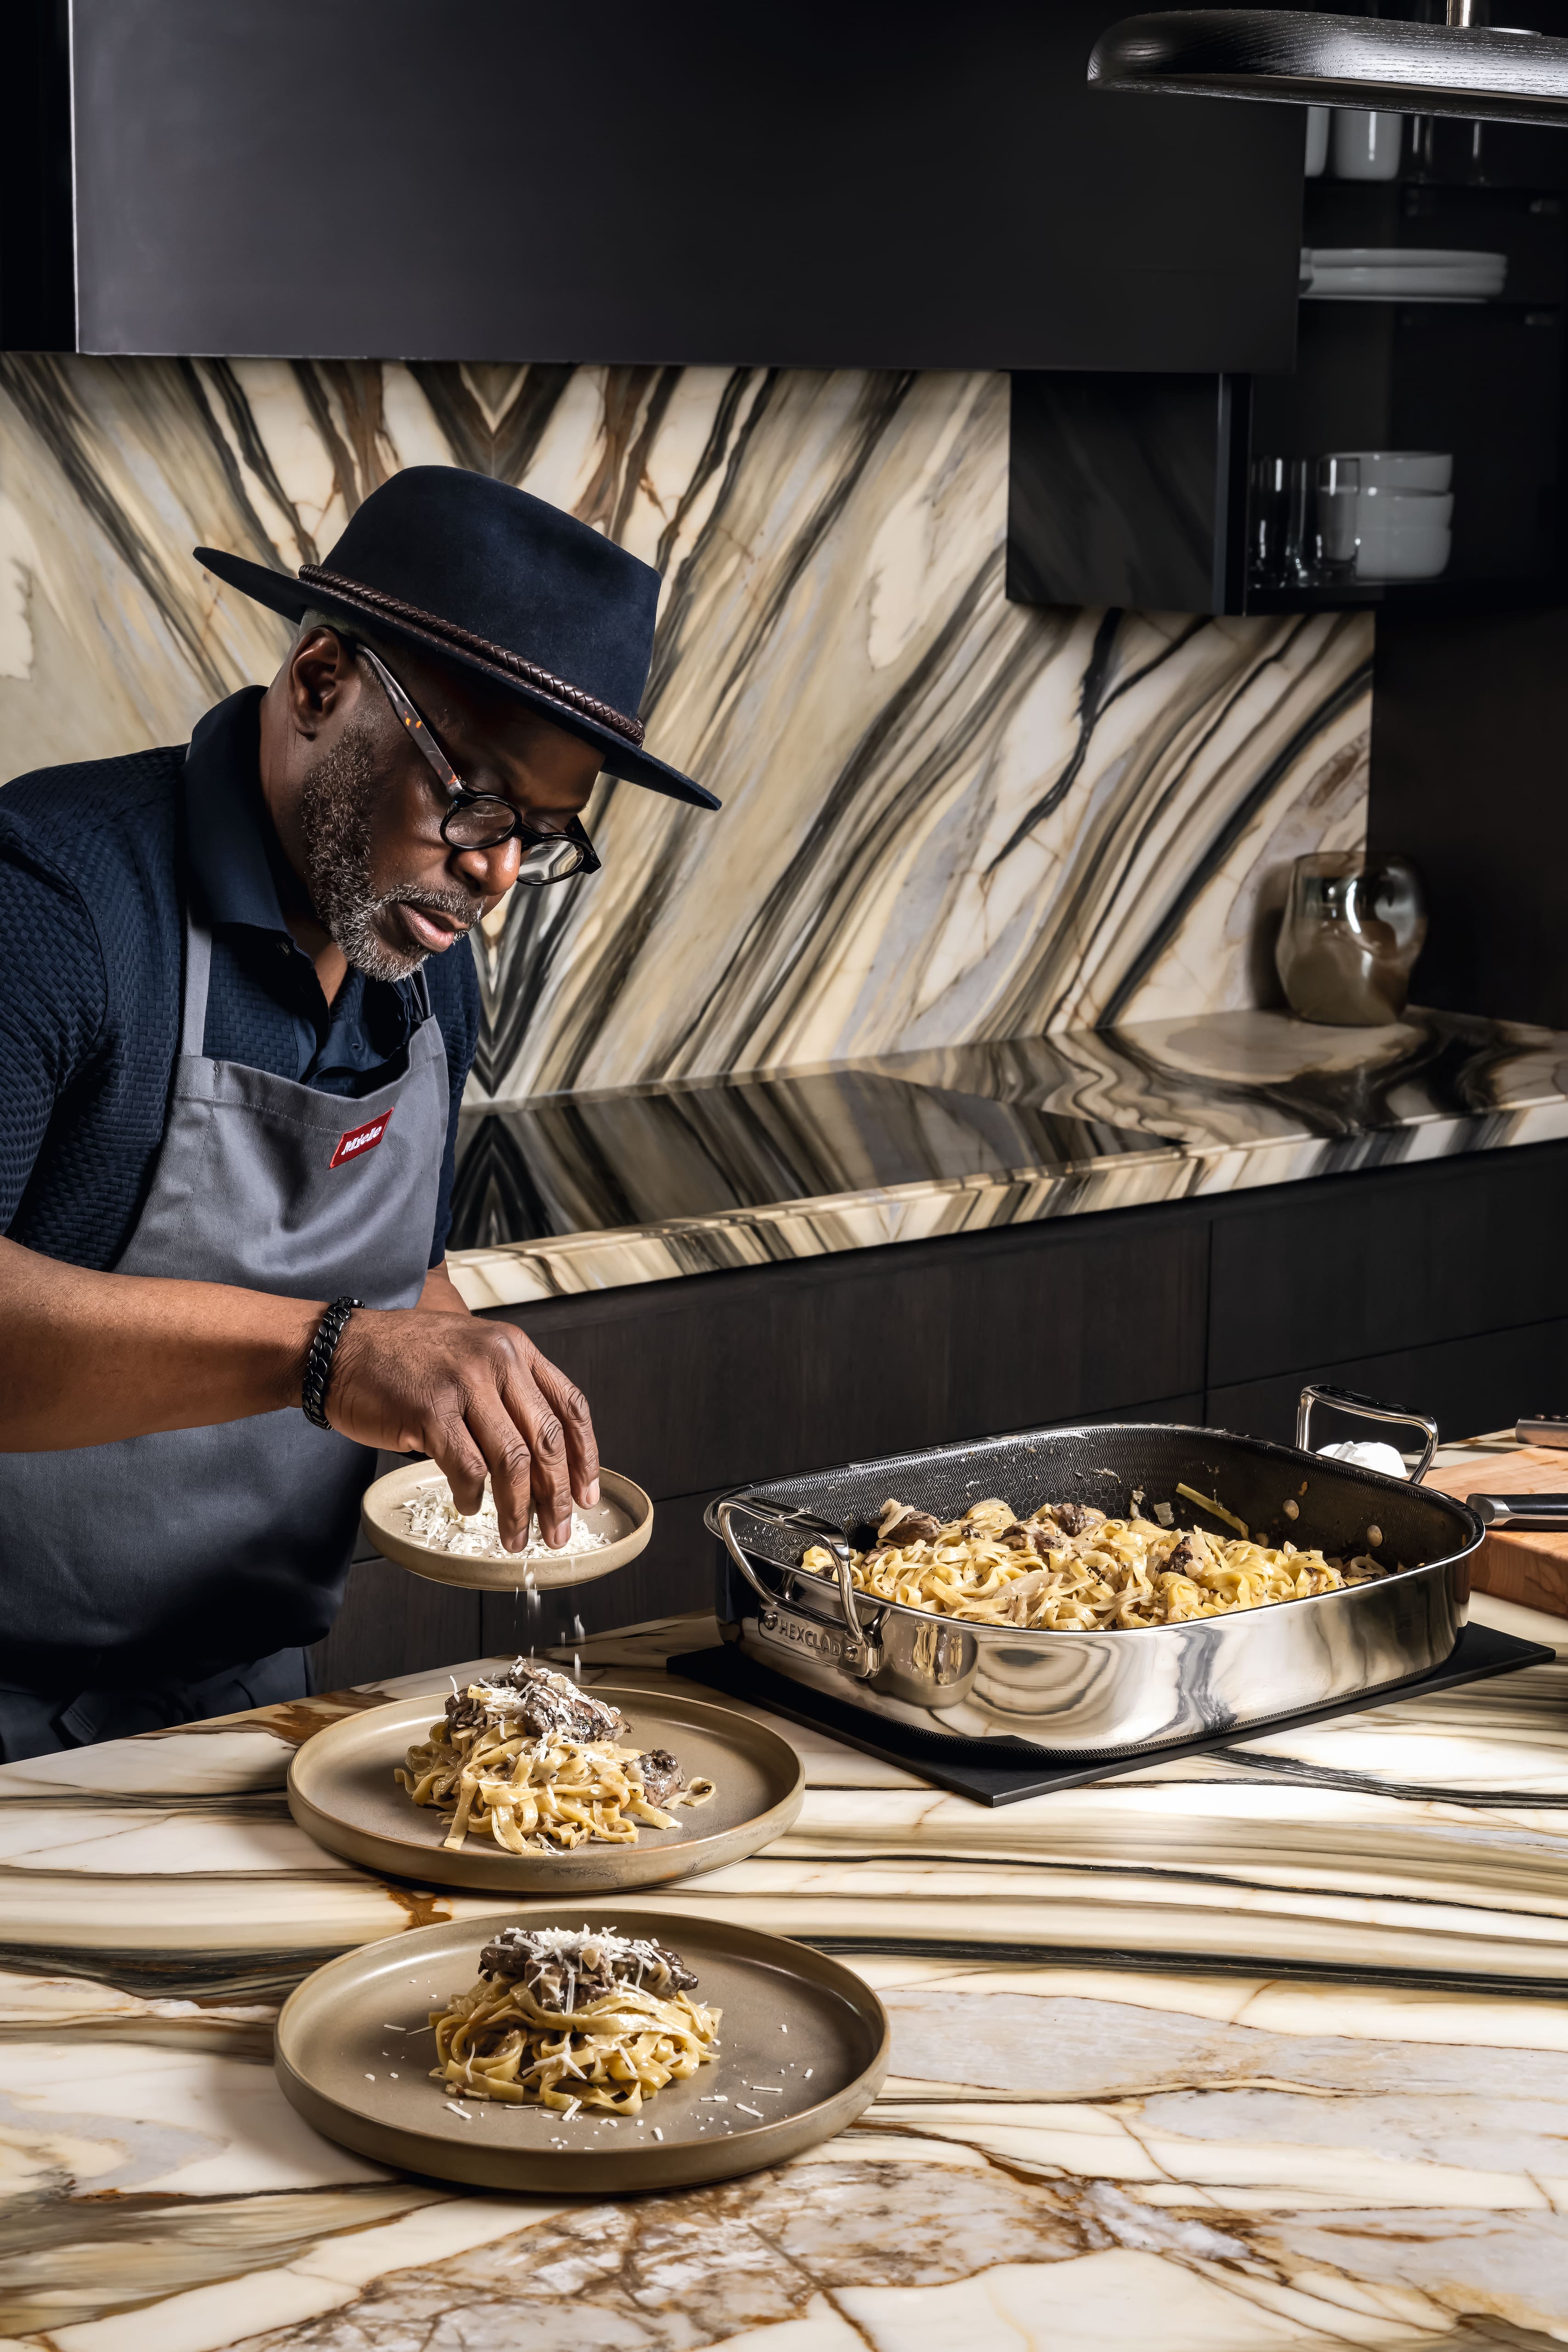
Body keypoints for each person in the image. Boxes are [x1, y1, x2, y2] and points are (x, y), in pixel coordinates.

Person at [0, 466, 719, 1758]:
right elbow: (336, 1329)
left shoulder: (426, 959)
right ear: (322, 681)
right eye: (478, 793)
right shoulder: (51, 907)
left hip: (256, 1692)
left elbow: (387, 1274)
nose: (498, 868)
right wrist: (337, 1355)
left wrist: (479, 1381)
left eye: (545, 833)